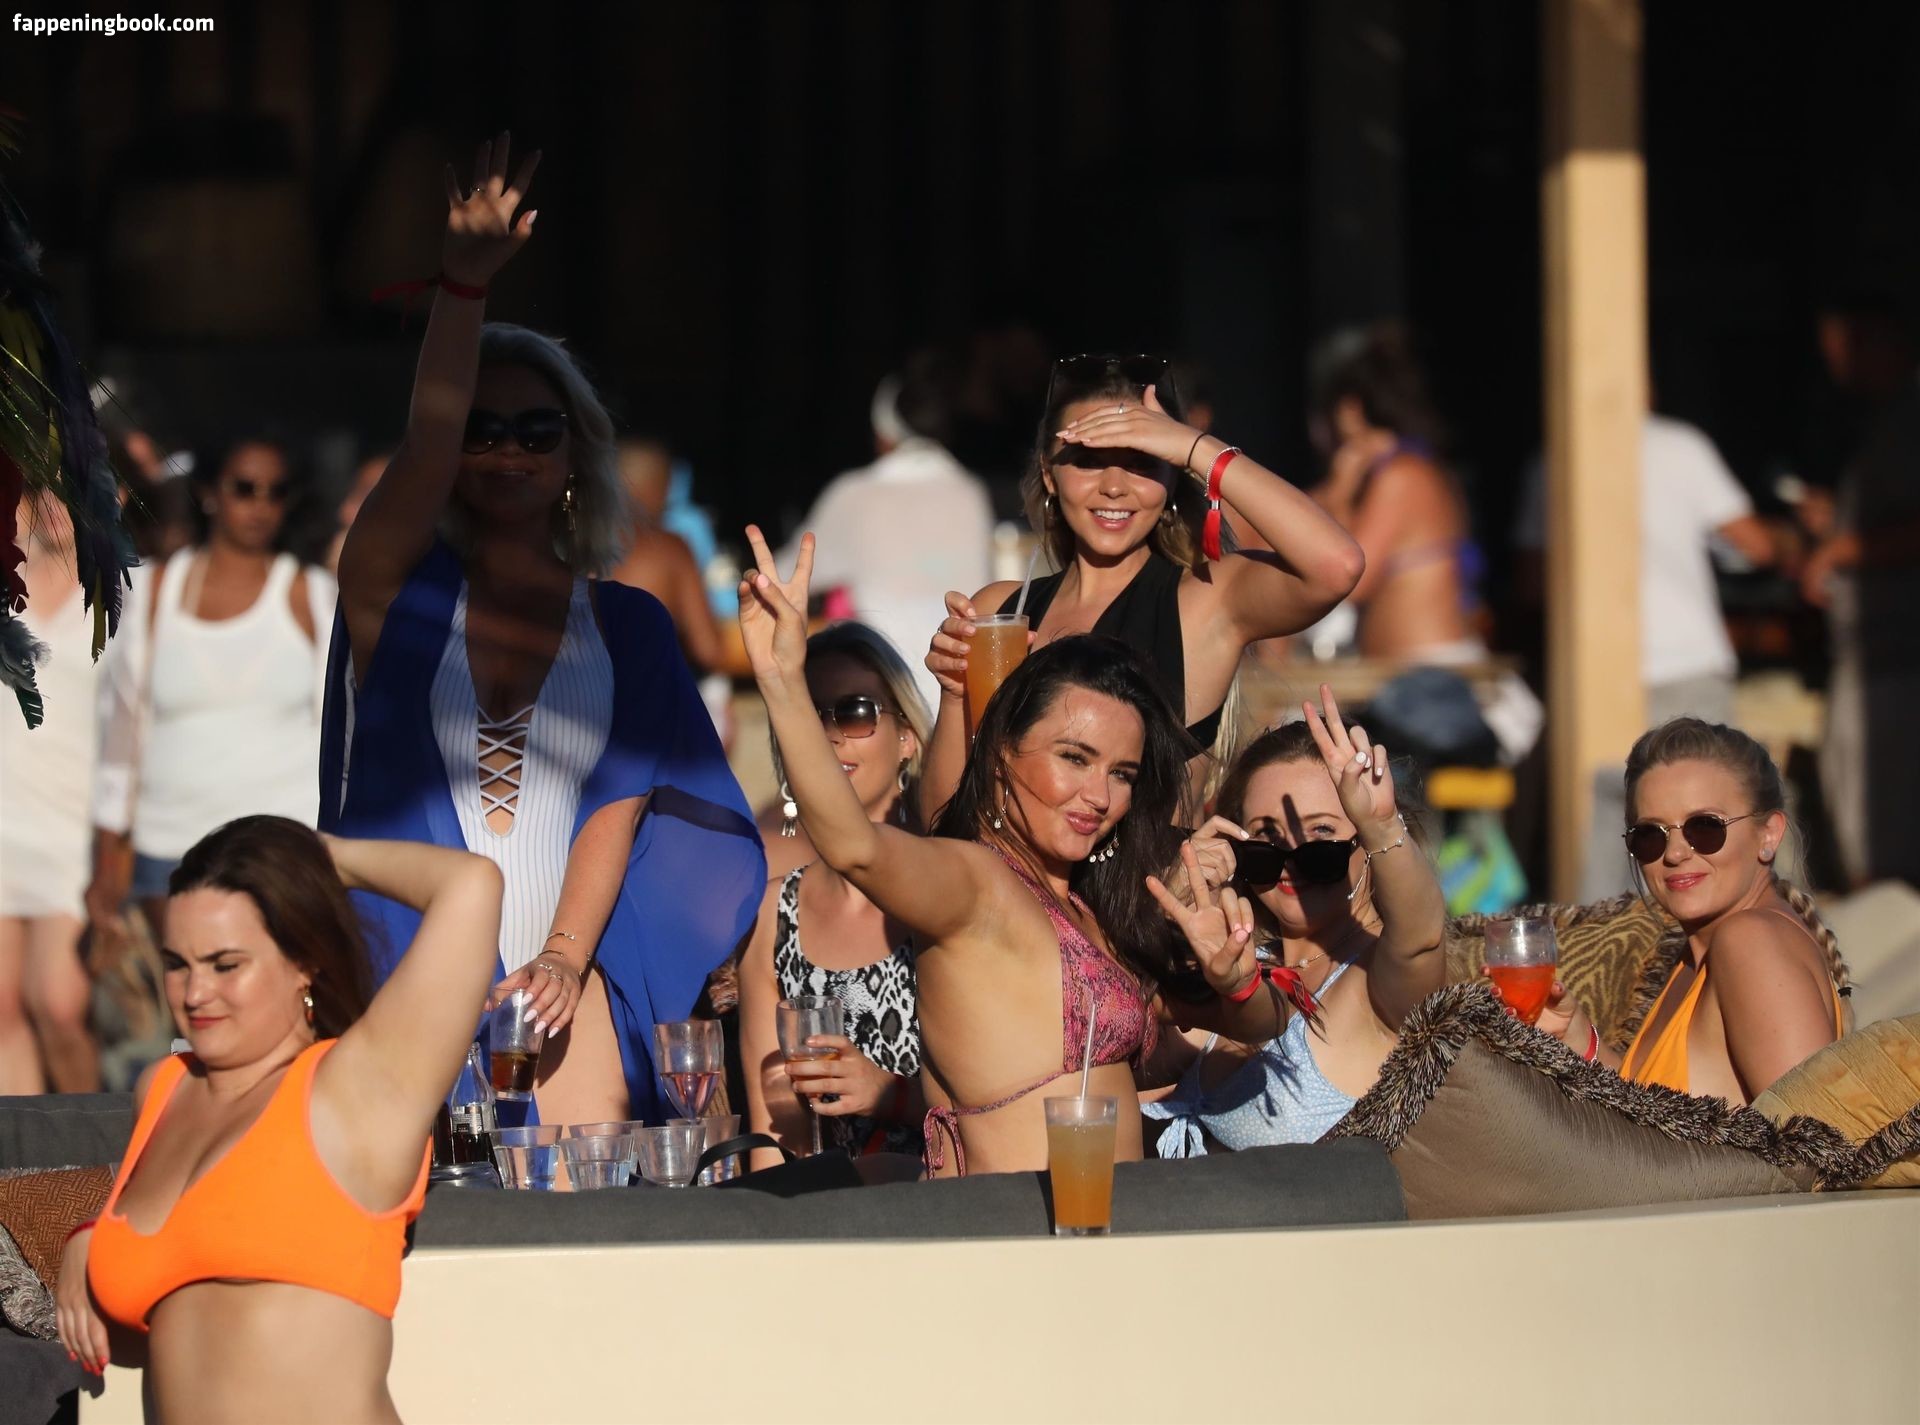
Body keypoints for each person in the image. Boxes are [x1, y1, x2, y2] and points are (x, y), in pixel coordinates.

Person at [323, 133, 763, 1127]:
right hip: (408, 971)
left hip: (569, 984)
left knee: (581, 1202)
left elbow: (621, 805)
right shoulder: (395, 599)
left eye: (536, 430)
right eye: (483, 430)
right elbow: (424, 444)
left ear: (574, 457)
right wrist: (463, 289)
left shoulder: (628, 624)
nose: (508, 450)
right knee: (435, 1212)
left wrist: (565, 957)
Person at [741, 528, 1266, 1178]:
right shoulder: (975, 880)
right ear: (1001, 753)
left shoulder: (1092, 904)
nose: (1099, 795)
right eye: (1074, 758)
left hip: (1111, 1227)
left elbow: (1260, 1023)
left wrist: (1235, 980)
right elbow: (858, 849)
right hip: (1013, 1231)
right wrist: (781, 681)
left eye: (1122, 773)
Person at [55, 816, 504, 1420]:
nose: (195, 993)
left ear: (303, 962)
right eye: (178, 964)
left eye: (225, 964)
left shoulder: (357, 1088)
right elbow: (174, 1314)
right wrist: (88, 1240)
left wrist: (327, 858)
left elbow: (472, 885)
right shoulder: (163, 1090)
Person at [921, 352, 1364, 818]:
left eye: (1143, 462)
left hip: (1151, 869)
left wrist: (1195, 448)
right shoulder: (1004, 609)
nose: (1115, 486)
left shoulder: (1202, 601)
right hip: (998, 867)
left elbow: (1337, 565)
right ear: (1050, 476)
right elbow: (942, 821)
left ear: (1173, 477)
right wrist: (954, 695)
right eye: (1088, 461)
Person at [1141, 690, 1447, 1153]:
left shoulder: (1377, 979)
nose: (1290, 860)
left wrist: (1383, 826)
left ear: (1367, 845)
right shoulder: (1240, 961)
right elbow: (1106, 1037)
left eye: (1321, 834)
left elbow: (1421, 937)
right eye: (1266, 836)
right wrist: (1168, 904)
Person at [88, 433, 335, 945]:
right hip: (168, 846)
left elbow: (341, 732)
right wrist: (108, 856)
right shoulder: (152, 592)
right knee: (186, 988)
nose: (261, 505)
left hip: (281, 849)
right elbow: (121, 729)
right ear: (208, 492)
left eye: (276, 491)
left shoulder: (312, 594)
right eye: (244, 488)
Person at [1530, 719, 1849, 1105]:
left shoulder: (1750, 943)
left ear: (1768, 834)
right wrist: (1581, 1040)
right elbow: (1658, 1118)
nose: (1675, 853)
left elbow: (1813, 1133)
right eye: (1651, 835)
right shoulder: (1694, 958)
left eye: (1704, 828)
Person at [737, 622, 931, 1165]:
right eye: (809, 715)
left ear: (907, 737)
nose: (829, 735)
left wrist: (889, 1094)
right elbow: (775, 1143)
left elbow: (1001, 1102)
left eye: (855, 712)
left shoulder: (953, 888)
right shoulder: (773, 914)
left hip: (950, 1199)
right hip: (826, 1209)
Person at [785, 356, 996, 710]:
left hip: (889, 697)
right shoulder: (970, 491)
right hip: (963, 697)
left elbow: (784, 579)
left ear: (883, 432)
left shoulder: (854, 494)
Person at [1799, 303, 1920, 889]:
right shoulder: (1887, 421)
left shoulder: (1910, 418)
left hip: (1895, 662)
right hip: (1871, 655)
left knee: (1880, 832)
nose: (1836, 370)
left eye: (1841, 352)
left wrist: (1839, 550)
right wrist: (1837, 520)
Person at [0, 493, 101, 1092]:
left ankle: (97, 1138)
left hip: (76, 833)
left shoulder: (121, 597)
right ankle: (19, 1149)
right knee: (2, 1011)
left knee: (59, 1006)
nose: (59, 508)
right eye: (46, 491)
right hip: (5, 822)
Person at [1307, 325, 1483, 663]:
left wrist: (1338, 494)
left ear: (1349, 411)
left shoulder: (1402, 476)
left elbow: (1348, 579)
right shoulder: (1407, 470)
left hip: (1430, 672)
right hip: (1408, 673)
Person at [607, 437, 726, 674]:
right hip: (642, 688)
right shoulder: (670, 550)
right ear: (653, 486)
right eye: (666, 486)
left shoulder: (571, 541)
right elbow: (709, 650)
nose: (669, 498)